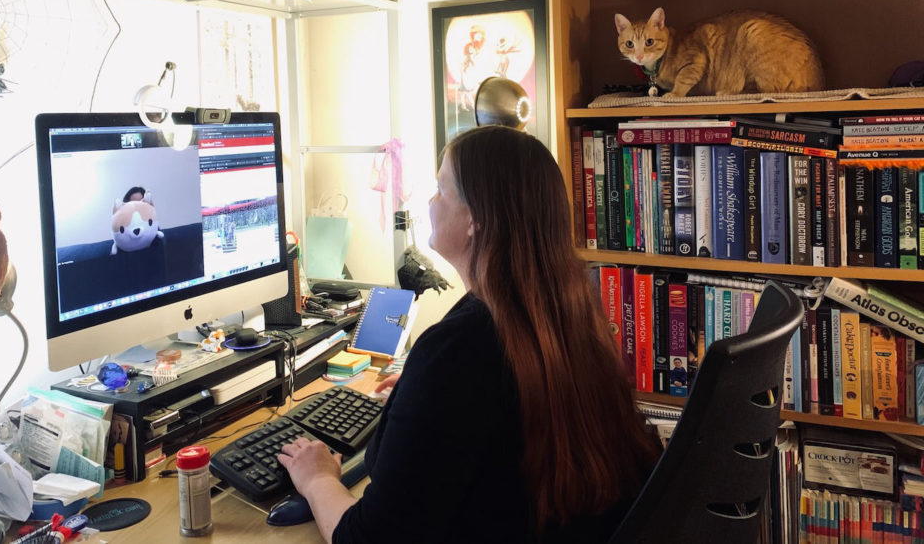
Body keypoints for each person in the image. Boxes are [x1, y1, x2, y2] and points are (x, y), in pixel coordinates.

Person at [279, 126, 662, 543]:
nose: (430, 201)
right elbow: (502, 408)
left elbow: (368, 538)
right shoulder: (566, 313)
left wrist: (317, 478)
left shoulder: (459, 351)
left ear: (476, 220)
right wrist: (423, 400)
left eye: (442, 189)